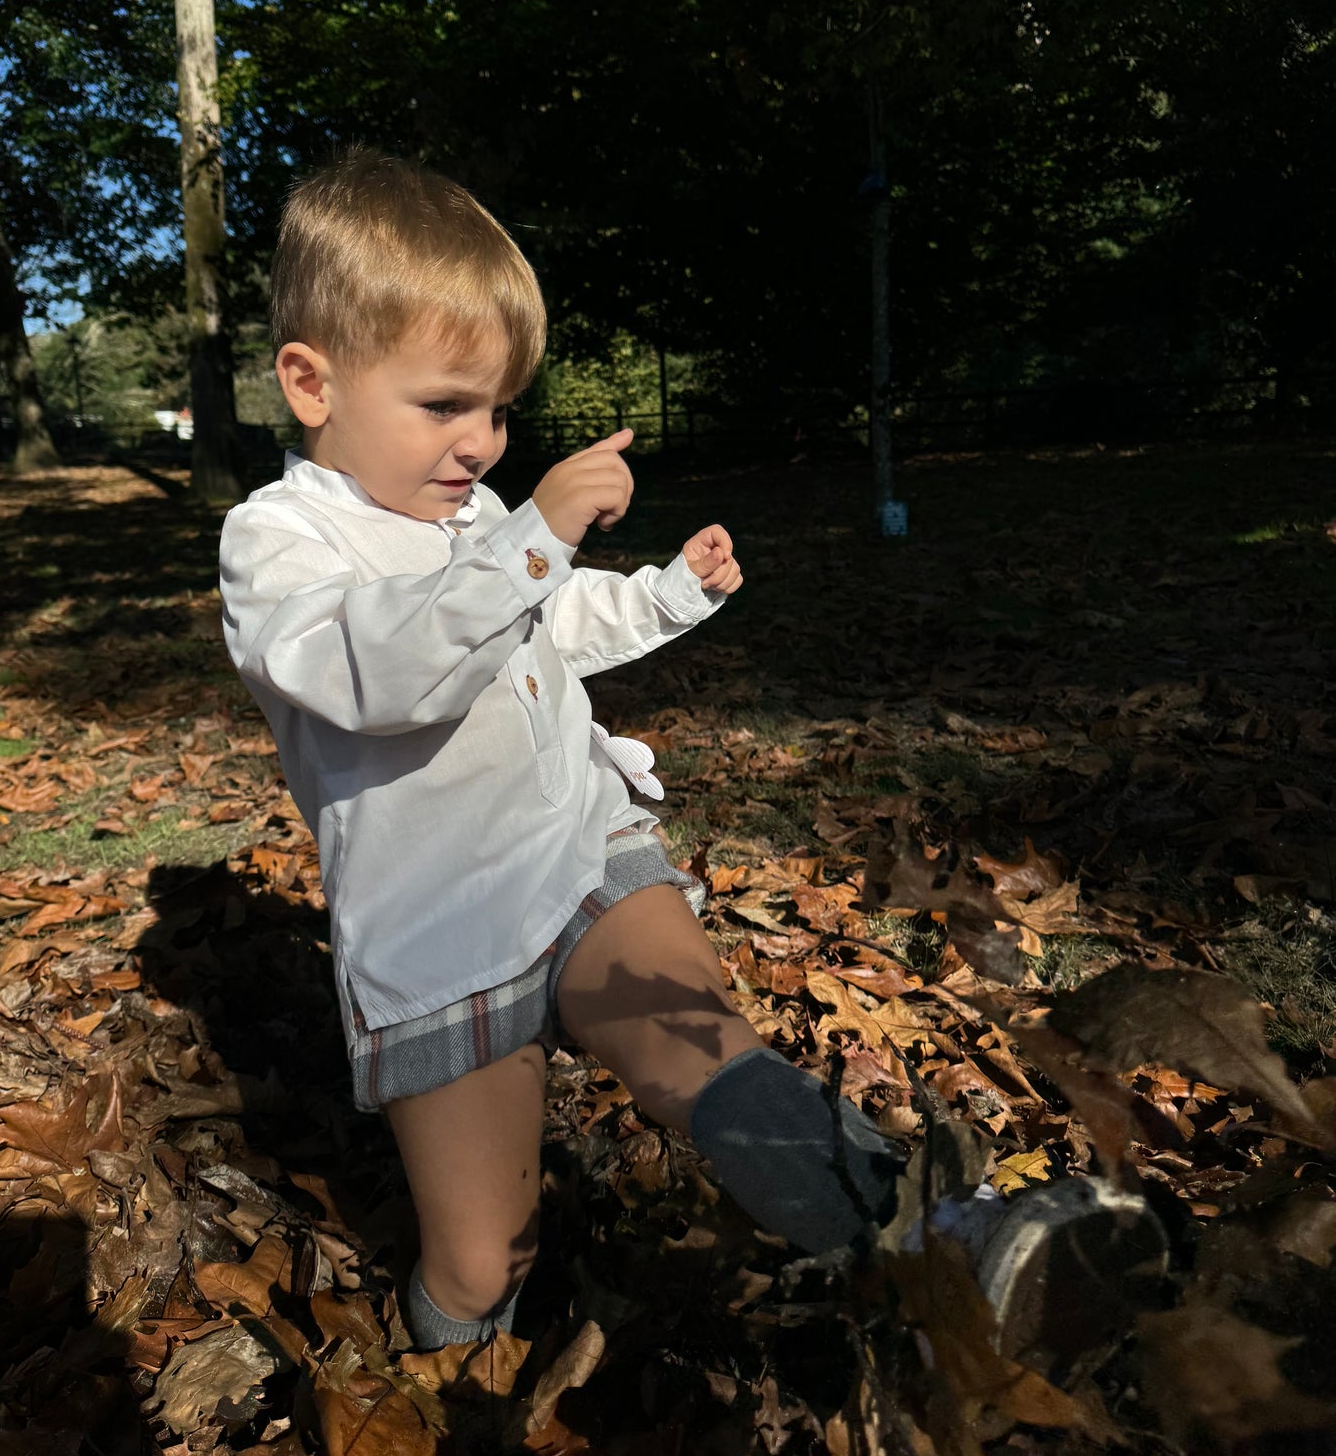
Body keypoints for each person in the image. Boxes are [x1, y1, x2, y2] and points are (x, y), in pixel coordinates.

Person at [220, 149, 1161, 1355]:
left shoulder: (472, 524)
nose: (480, 444)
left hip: (572, 848)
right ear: (311, 382)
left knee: (712, 1060)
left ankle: (958, 1246)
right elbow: (379, 675)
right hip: (436, 933)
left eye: (497, 408)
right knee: (479, 1252)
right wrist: (530, 535)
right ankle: (439, 1415)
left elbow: (544, 624)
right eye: (443, 406)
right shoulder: (278, 545)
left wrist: (663, 594)